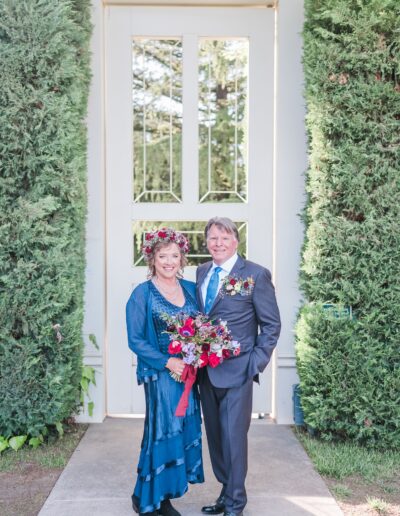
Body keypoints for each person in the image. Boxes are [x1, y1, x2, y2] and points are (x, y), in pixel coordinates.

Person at [196, 217, 281, 516]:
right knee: (217, 440)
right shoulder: (202, 271)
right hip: (206, 372)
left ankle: (235, 505)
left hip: (238, 372)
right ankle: (225, 491)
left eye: (224, 237)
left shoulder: (255, 274)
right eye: (213, 238)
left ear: (236, 241)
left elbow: (271, 325)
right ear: (206, 242)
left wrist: (254, 363)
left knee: (234, 439)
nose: (218, 243)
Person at [126, 228, 204, 516]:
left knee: (180, 430)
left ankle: (143, 493)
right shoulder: (142, 293)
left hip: (189, 375)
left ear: (182, 257)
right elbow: (135, 339)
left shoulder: (191, 289)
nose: (169, 261)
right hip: (162, 375)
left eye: (174, 255)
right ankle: (156, 501)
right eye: (163, 256)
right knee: (163, 431)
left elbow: (203, 326)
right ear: (152, 258)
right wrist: (167, 362)